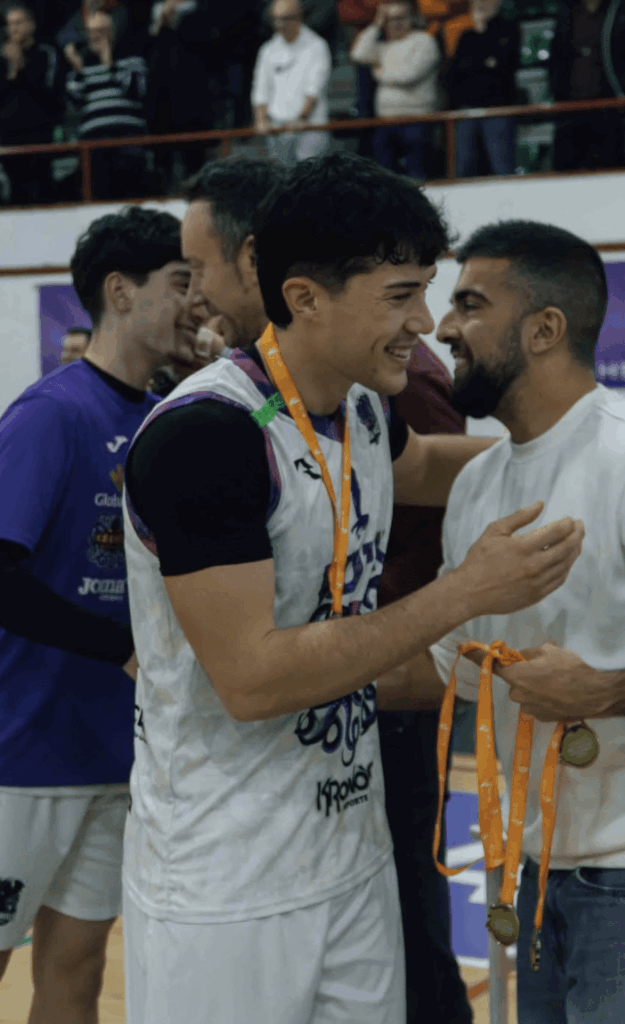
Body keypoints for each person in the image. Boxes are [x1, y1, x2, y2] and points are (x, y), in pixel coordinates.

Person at [120, 150, 583, 1024]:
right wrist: (463, 589)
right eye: (399, 294)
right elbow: (251, 679)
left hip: (348, 850)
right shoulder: (206, 438)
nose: (426, 322)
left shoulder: (366, 407)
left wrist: (586, 450)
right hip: (225, 877)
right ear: (303, 299)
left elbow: (425, 465)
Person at [0, 205, 207, 1024]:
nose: (194, 303)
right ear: (120, 292)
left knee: (78, 971)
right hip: (23, 754)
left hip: (117, 758)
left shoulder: (166, 416)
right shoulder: (51, 414)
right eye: (179, 284)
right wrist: (122, 648)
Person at [429, 220, 625, 1024]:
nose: (442, 329)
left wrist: (608, 690)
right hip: (528, 869)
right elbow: (441, 666)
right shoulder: (475, 484)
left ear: (544, 329)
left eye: (469, 305)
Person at [376, 338, 473, 1024]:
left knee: (406, 902)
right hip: (376, 662)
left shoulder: (398, 378)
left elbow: (427, 483)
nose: (438, 323)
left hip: (397, 671)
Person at [65, 11, 152, 200]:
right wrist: (78, 70)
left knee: (131, 192)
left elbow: (136, 90)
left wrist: (110, 63)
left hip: (128, 136)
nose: (97, 35)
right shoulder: (83, 64)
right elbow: (74, 99)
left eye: (102, 30)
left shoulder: (131, 58)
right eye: (92, 31)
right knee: (99, 194)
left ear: (112, 32)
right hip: (95, 140)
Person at [351, 1, 440, 179]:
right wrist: (376, 23)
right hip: (385, 121)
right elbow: (358, 54)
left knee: (417, 178)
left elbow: (408, 76)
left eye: (400, 17)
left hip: (417, 120)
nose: (396, 23)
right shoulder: (383, 48)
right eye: (390, 19)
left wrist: (380, 74)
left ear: (411, 18)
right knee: (384, 178)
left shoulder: (425, 41)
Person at [444, 0, 519, 177]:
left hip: (498, 108)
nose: (483, 4)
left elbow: (506, 66)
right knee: (462, 164)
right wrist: (485, 62)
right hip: (465, 108)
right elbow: (457, 70)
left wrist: (482, 34)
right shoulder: (466, 35)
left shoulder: (509, 29)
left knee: (502, 164)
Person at [252, 0, 332, 166]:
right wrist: (260, 119)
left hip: (311, 127)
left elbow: (314, 86)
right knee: (282, 180)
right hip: (277, 129)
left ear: (299, 17)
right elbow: (261, 88)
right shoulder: (268, 49)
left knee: (308, 180)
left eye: (286, 18)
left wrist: (302, 117)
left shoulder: (317, 46)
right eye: (276, 19)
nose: (280, 24)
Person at [549, 0, 625, 173]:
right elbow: (557, 56)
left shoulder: (617, 10)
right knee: (567, 169)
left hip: (610, 106)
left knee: (611, 168)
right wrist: (557, 92)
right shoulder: (567, 11)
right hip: (571, 106)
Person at [0, 4, 63, 205]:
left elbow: (49, 93)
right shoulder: (2, 59)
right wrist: (11, 70)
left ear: (31, 25)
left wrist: (22, 66)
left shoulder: (46, 53)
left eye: (18, 23)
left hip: (39, 136)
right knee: (16, 196)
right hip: (8, 138)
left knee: (43, 193)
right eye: (10, 24)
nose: (14, 29)